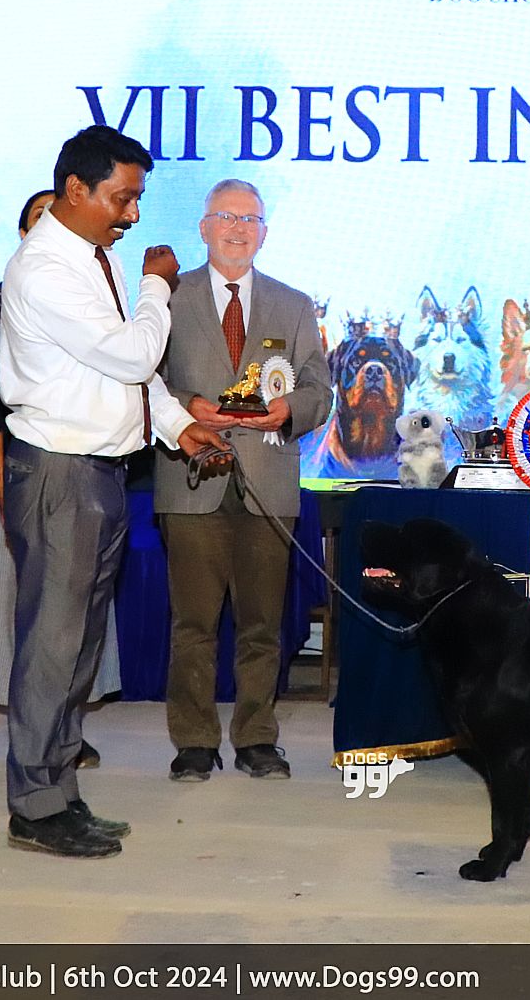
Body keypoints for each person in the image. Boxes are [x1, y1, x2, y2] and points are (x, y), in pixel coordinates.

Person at [0, 125, 229, 858]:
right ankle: (34, 807)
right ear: (76, 189)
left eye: (136, 200)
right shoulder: (45, 268)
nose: (131, 215)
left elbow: (126, 374)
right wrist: (160, 284)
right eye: (121, 198)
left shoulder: (94, 258)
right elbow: (132, 351)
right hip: (60, 471)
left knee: (79, 647)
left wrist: (179, 426)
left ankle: (60, 791)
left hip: (97, 471)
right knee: (52, 647)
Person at [156, 179, 332, 782]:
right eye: (226, 217)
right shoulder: (169, 300)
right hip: (189, 478)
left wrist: (290, 410)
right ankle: (194, 741)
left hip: (269, 482)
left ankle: (257, 738)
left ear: (264, 233)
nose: (238, 228)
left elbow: (320, 389)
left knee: (262, 626)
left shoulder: (294, 304)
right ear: (204, 227)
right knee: (193, 625)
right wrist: (188, 407)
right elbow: (142, 379)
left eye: (250, 219)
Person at [0, 188, 122, 748]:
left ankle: (66, 731)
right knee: (33, 614)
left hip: (90, 465)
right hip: (29, 466)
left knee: (80, 615)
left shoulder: (97, 282)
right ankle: (34, 737)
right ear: (24, 231)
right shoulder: (9, 292)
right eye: (38, 216)